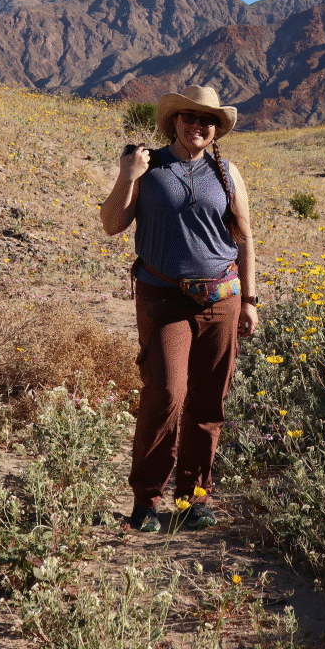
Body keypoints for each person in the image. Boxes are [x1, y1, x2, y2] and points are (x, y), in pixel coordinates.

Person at [99, 85, 259, 532]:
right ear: (174, 121)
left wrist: (249, 299)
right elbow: (111, 224)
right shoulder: (148, 167)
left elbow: (244, 238)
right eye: (189, 117)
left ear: (216, 129)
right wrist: (127, 175)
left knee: (209, 402)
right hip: (164, 298)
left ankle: (194, 499)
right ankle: (147, 500)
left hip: (221, 300)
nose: (198, 126)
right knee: (166, 393)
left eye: (207, 120)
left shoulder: (228, 173)